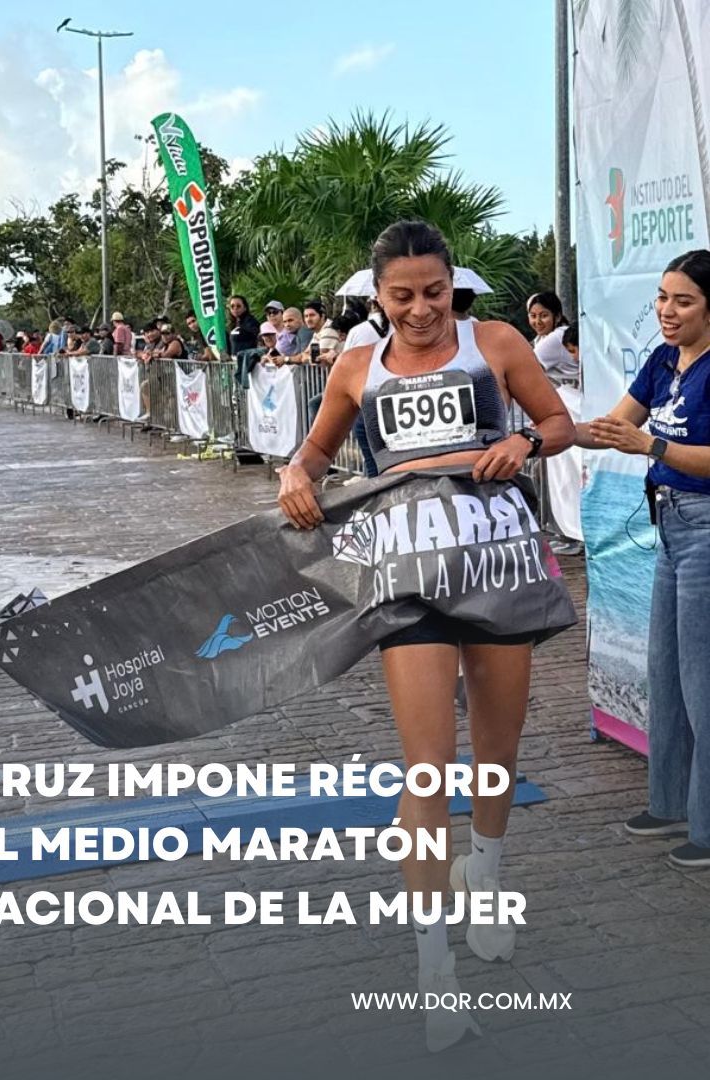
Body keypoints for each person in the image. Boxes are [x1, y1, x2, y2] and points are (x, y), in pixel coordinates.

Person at [277, 220, 575, 1052]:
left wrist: (522, 439)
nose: (420, 311)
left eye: (434, 293)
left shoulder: (498, 341)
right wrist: (296, 473)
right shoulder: (354, 365)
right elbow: (312, 452)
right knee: (427, 767)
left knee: (499, 752)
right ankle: (433, 971)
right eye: (401, 296)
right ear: (377, 297)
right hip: (405, 578)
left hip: (498, 565)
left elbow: (560, 426)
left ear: (456, 284)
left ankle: (485, 871)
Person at [576, 249, 710, 870]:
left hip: (707, 529)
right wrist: (535, 431)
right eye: (661, 297)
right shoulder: (661, 360)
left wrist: (652, 443)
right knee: (665, 672)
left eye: (682, 301)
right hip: (671, 527)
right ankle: (669, 802)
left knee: (702, 683)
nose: (666, 311)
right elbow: (612, 426)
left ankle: (707, 829)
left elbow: (664, 444)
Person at [527, 290, 577, 384]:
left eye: (544, 316)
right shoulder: (543, 337)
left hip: (572, 397)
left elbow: (524, 369)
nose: (537, 321)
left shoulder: (559, 336)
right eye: (533, 316)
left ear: (557, 317)